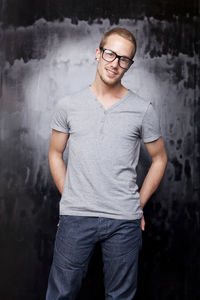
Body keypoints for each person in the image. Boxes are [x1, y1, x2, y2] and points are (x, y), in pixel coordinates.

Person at [46, 27, 167, 300]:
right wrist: (71, 199)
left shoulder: (143, 109)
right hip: (76, 218)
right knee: (60, 294)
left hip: (124, 220)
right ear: (98, 53)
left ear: (129, 65)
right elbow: (55, 153)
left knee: (120, 297)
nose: (115, 63)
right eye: (110, 54)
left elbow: (160, 159)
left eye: (124, 59)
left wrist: (138, 204)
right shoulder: (69, 105)